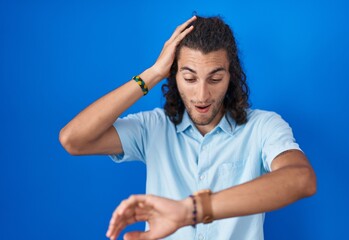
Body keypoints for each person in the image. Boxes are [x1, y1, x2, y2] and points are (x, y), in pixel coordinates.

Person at [59, 15, 316, 240]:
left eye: (215, 78)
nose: (202, 94)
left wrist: (190, 210)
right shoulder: (152, 127)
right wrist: (153, 73)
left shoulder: (263, 126)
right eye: (190, 78)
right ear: (174, 76)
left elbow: (301, 179)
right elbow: (74, 139)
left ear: (231, 76)